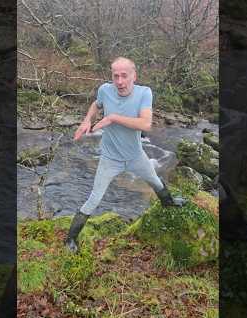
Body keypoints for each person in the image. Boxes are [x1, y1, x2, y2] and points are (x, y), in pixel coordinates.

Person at [65, 57, 185, 253]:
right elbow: (96, 105)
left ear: (134, 76)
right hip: (109, 159)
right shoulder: (105, 90)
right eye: (115, 76)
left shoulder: (144, 93)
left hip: (136, 156)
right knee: (94, 199)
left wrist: (112, 118)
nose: (119, 81)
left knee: (155, 180)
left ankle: (169, 204)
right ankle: (70, 239)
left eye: (124, 76)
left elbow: (145, 124)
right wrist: (87, 120)